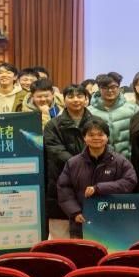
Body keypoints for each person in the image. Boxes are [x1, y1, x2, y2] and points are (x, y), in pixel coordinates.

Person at [57, 118, 137, 238]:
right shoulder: (73, 163)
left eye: (100, 134)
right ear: (84, 138)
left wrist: (99, 188)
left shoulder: (120, 161)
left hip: (113, 222)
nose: (96, 138)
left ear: (107, 137)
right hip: (81, 222)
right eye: (91, 135)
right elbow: (64, 189)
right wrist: (75, 212)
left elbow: (130, 181)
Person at [43, 85, 92, 239]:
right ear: (63, 100)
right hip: (60, 181)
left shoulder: (96, 122)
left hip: (90, 182)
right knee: (60, 236)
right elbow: (55, 150)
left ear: (86, 99)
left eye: (80, 96)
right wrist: (79, 164)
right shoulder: (53, 125)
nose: (76, 100)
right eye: (71, 96)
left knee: (91, 232)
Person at [88, 73, 139, 158]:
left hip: (128, 160)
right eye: (105, 87)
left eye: (113, 87)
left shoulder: (133, 109)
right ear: (99, 89)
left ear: (119, 87)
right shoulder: (89, 112)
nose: (110, 90)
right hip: (99, 161)